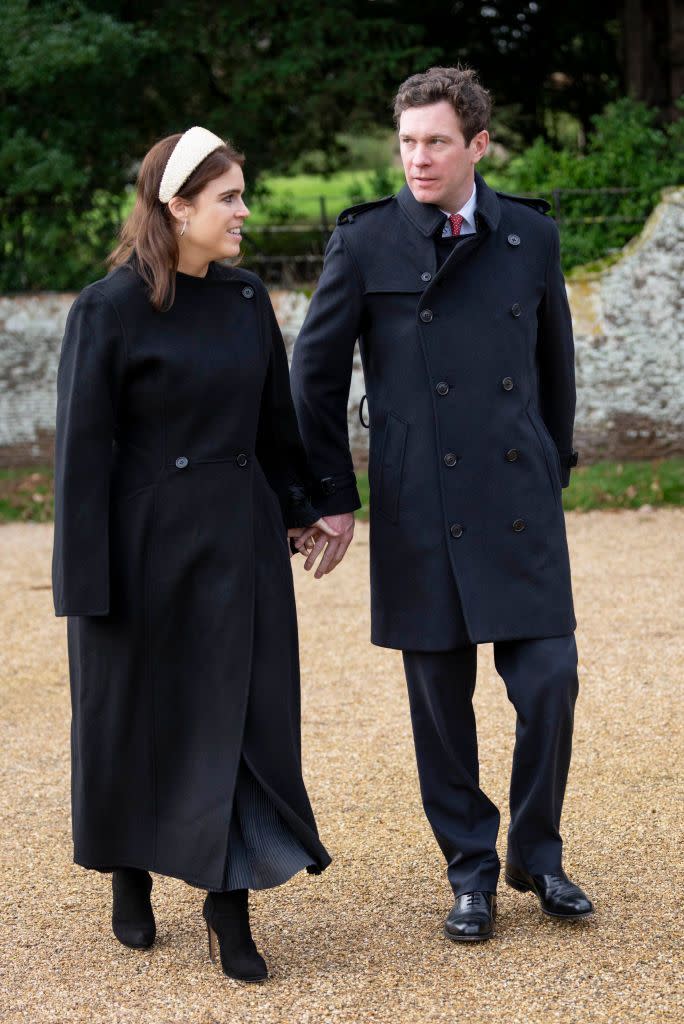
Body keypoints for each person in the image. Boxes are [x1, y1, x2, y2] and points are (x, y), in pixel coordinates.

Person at [290, 67, 594, 942]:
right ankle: (471, 871)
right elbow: (313, 381)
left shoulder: (529, 235)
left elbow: (554, 366)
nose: (417, 158)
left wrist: (549, 463)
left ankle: (538, 853)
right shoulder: (366, 241)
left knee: (551, 686)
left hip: (519, 501)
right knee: (439, 706)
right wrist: (333, 498)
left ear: (478, 146)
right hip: (422, 507)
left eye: (435, 142)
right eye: (408, 142)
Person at [52, 126, 337, 982]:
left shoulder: (249, 300)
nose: (245, 212)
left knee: (241, 721)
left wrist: (304, 509)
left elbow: (275, 426)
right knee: (135, 719)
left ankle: (228, 905)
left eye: (242, 195)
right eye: (230, 198)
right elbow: (81, 455)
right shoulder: (107, 309)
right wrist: (86, 587)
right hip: (141, 556)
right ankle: (129, 874)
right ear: (177, 208)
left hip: (239, 546)